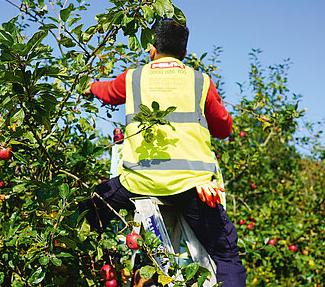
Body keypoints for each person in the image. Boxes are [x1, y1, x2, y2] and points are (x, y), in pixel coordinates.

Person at [82, 18, 246, 286]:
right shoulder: (200, 81)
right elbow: (224, 128)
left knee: (89, 211)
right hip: (193, 186)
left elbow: (107, 92)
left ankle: (104, 266)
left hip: (139, 182)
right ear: (183, 53)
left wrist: (90, 86)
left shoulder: (134, 77)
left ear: (151, 48)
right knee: (227, 257)